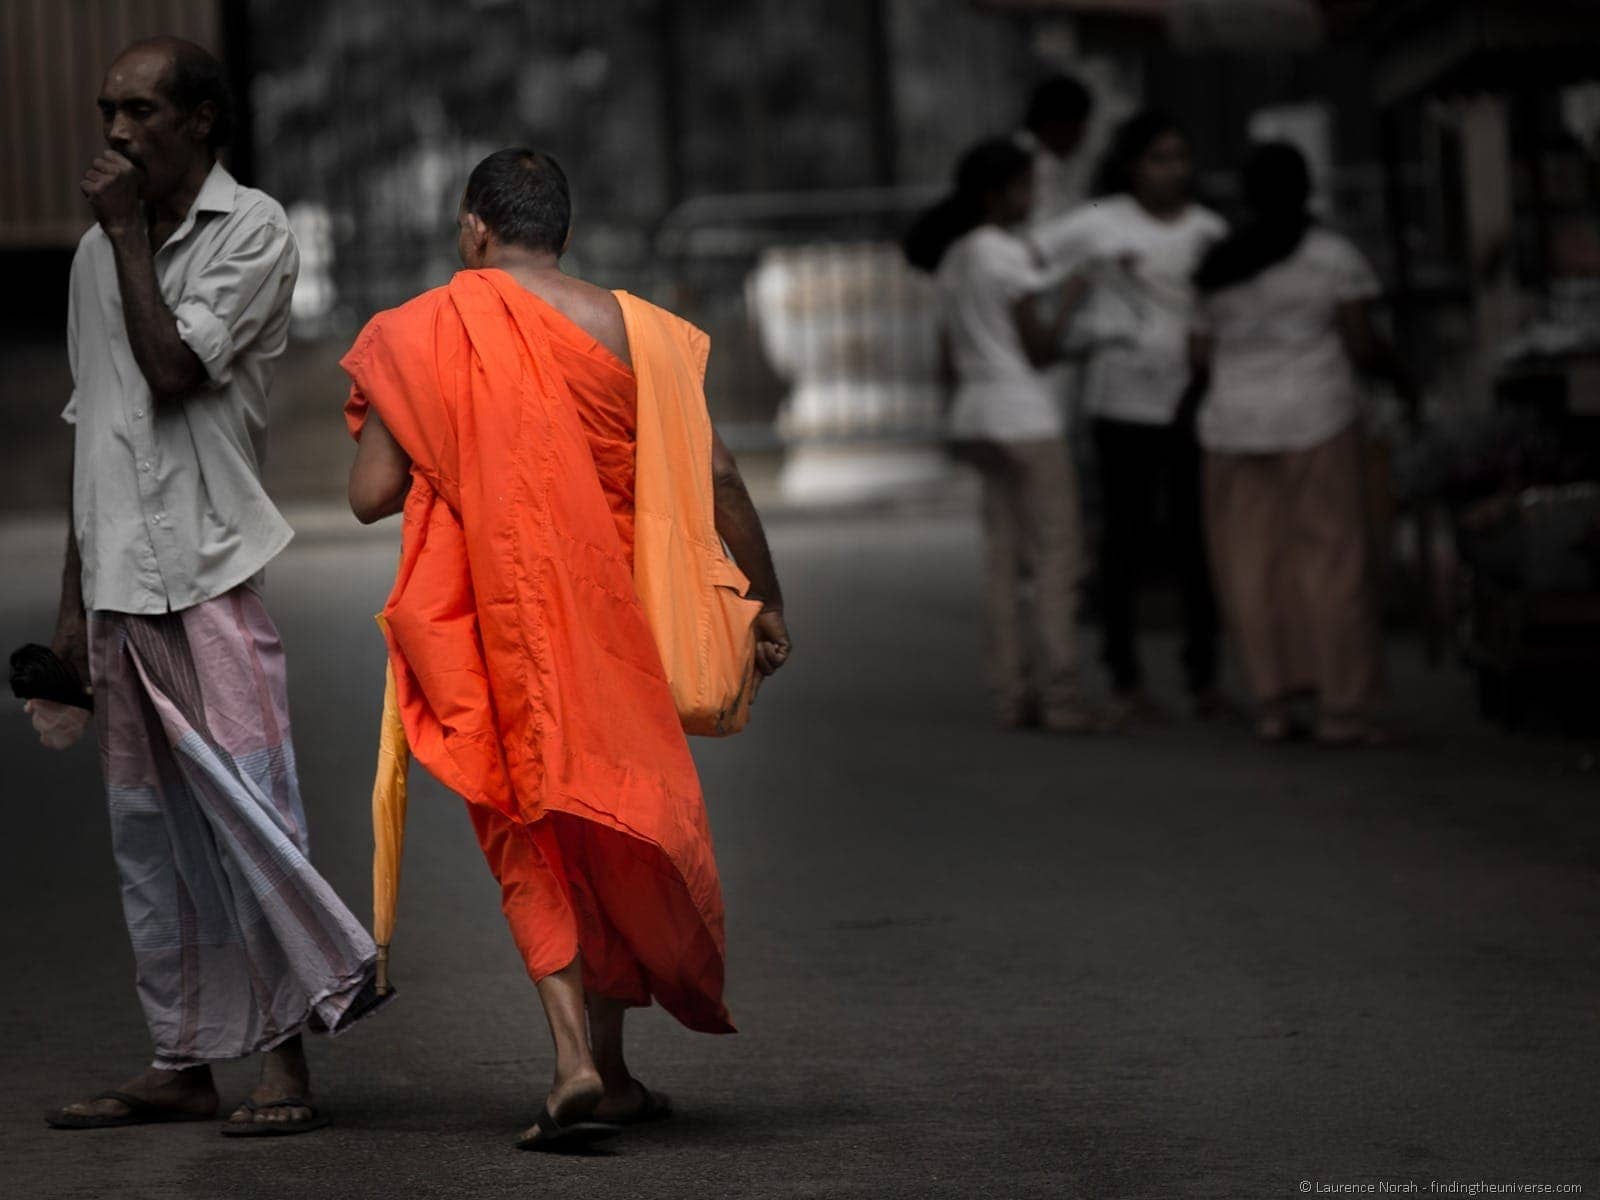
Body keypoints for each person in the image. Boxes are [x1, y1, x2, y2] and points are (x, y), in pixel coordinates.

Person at [342, 148, 791, 1150]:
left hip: (489, 624)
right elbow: (716, 473)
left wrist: (454, 440)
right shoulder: (646, 335)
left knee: (526, 831)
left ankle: (574, 1061)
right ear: (566, 235)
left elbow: (369, 497)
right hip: (613, 625)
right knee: (613, 826)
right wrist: (765, 600)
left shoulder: (420, 333)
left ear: (474, 230)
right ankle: (616, 1066)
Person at [34, 37, 386, 1137]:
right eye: (108, 111)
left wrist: (131, 237)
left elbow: (173, 368)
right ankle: (182, 1057)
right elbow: (97, 430)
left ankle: (286, 1065)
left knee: (251, 818)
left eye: (141, 112)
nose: (117, 133)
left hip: (212, 576)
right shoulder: (98, 255)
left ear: (201, 123)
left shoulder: (255, 231)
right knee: (149, 838)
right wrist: (68, 609)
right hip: (121, 591)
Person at [1193, 142, 1409, 746]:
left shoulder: (1217, 265)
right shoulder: (1332, 257)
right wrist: (1400, 373)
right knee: (1332, 563)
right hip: (1317, 416)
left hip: (1232, 425)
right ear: (1307, 188)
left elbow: (1196, 354)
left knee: (1250, 567)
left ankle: (1272, 704)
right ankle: (1344, 709)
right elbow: (1364, 345)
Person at [1032, 111, 1229, 728]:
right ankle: (1125, 678)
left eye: (1180, 157)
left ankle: (1204, 678)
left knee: (1199, 540)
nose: (1173, 170)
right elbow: (1029, 259)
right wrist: (1073, 314)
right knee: (1126, 541)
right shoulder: (1099, 222)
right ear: (1131, 165)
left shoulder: (1210, 231)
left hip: (1195, 400)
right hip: (1119, 404)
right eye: (1159, 157)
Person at [910, 138, 1101, 733]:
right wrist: (1071, 299)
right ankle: (1062, 692)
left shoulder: (954, 259)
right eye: (1024, 187)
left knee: (1001, 561)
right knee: (1055, 558)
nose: (1032, 197)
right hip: (1025, 415)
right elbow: (1039, 348)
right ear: (998, 194)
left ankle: (1012, 691)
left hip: (977, 414)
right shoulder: (1005, 256)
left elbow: (945, 358)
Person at [1017, 74, 1095, 227]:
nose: (1083, 134)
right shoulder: (1021, 159)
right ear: (1053, 123)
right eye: (1078, 126)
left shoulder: (1065, 161)